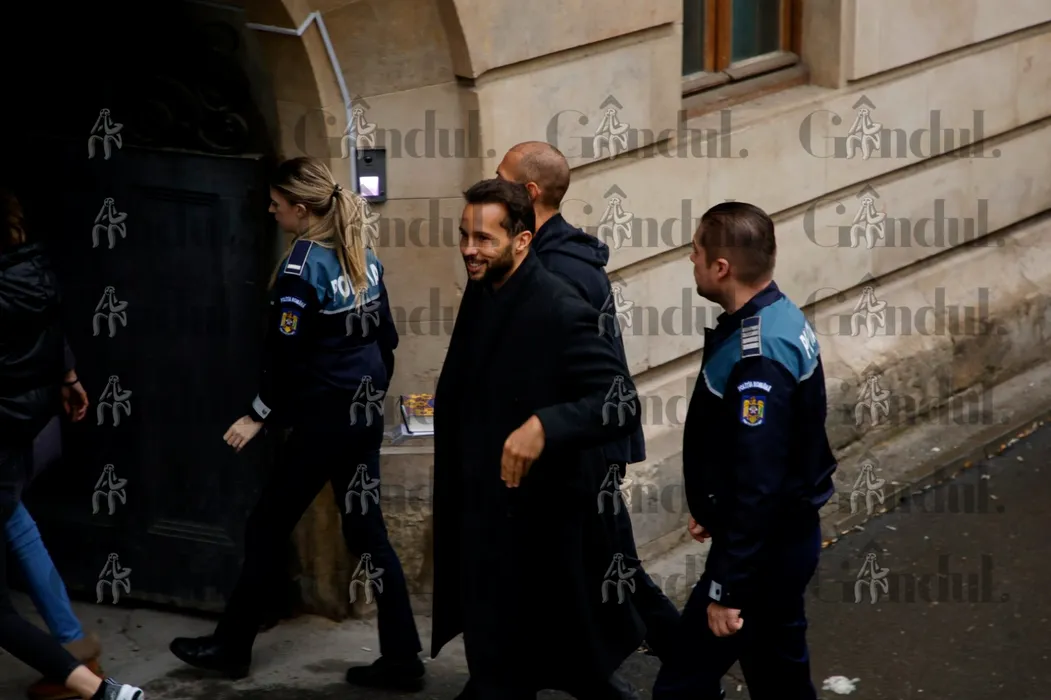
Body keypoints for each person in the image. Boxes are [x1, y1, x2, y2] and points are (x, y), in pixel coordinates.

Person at [167, 157, 424, 690]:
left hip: (324, 422)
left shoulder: (300, 269)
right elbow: (387, 339)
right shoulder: (363, 257)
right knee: (368, 533)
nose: (270, 211)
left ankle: (231, 647)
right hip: (361, 414)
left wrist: (257, 415)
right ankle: (403, 657)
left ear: (301, 210)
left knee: (266, 526)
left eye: (276, 204)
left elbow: (283, 357)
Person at [430, 178, 646, 699]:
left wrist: (545, 425)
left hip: (537, 527)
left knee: (555, 662)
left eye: (484, 239)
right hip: (486, 517)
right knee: (512, 665)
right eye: (464, 236)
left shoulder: (559, 307)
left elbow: (620, 402)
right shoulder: (485, 289)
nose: (469, 250)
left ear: (522, 241)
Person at [496, 141, 681, 665]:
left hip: (580, 452)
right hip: (574, 447)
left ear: (530, 192)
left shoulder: (559, 270)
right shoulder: (552, 257)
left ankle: (689, 666)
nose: (493, 188)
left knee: (618, 570)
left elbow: (583, 374)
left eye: (502, 179)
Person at [651, 202, 838, 700]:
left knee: (681, 685)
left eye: (695, 251)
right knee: (780, 681)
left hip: (762, 555)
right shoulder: (779, 315)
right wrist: (714, 503)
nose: (690, 259)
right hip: (780, 541)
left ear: (721, 267)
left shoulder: (758, 357)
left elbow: (760, 481)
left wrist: (728, 589)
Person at [0, 188, 144, 700]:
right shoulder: (32, 267)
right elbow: (52, 328)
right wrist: (68, 376)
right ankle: (71, 644)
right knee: (14, 518)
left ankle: (78, 670)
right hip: (21, 421)